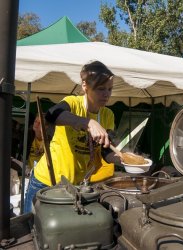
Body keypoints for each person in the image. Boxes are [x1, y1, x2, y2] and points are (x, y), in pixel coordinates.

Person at [24, 60, 121, 213]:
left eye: (110, 89)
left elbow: (105, 151)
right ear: (85, 86)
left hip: (73, 187)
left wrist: (122, 159)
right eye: (101, 88)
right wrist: (88, 122)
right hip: (46, 181)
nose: (106, 94)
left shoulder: (108, 115)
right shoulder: (73, 103)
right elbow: (51, 115)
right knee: (30, 228)